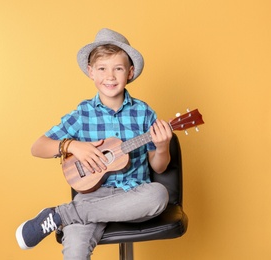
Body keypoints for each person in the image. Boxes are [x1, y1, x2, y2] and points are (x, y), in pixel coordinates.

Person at [16, 28, 172, 259]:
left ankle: (61, 215)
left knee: (158, 194)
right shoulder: (82, 115)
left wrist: (162, 146)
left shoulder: (144, 113)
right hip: (92, 196)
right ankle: (73, 215)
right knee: (76, 247)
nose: (110, 76)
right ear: (90, 72)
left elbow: (159, 167)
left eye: (118, 69)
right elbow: (37, 147)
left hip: (134, 196)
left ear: (129, 73)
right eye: (102, 69)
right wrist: (71, 146)